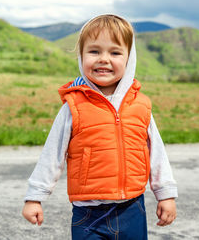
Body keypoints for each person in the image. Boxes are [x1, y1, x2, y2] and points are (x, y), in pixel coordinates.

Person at [22, 14, 178, 239]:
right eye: (94, 51)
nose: (104, 59)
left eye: (115, 53)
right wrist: (34, 197)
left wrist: (166, 195)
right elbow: (52, 154)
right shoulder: (73, 105)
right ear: (81, 56)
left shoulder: (141, 105)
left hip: (132, 208)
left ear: (129, 58)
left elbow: (157, 154)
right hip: (88, 214)